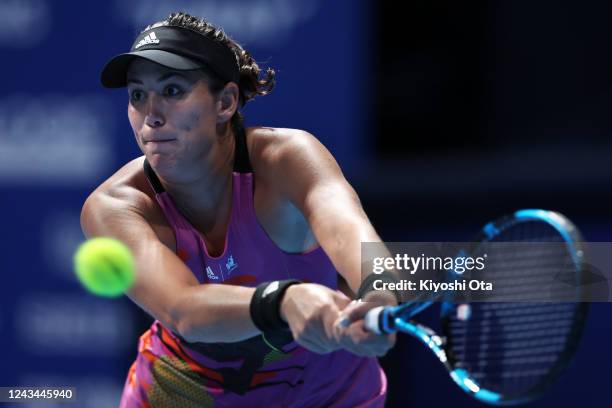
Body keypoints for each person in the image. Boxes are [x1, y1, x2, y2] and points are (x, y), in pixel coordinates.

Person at [81, 12, 397, 407]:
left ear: (226, 102)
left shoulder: (287, 158)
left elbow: (352, 234)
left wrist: (379, 295)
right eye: (137, 95)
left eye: (174, 90)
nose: (152, 114)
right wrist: (284, 301)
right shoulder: (116, 206)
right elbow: (184, 311)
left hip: (332, 397)